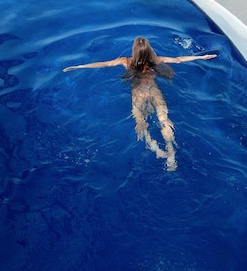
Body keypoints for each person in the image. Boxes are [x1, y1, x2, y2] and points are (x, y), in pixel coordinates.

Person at [63, 37, 216, 171]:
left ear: (134, 50)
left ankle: (155, 147)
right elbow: (178, 59)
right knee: (164, 120)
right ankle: (171, 153)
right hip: (154, 91)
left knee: (141, 123)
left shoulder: (126, 61)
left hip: (138, 95)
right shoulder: (156, 60)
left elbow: (105, 64)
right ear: (149, 50)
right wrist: (201, 57)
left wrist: (79, 66)